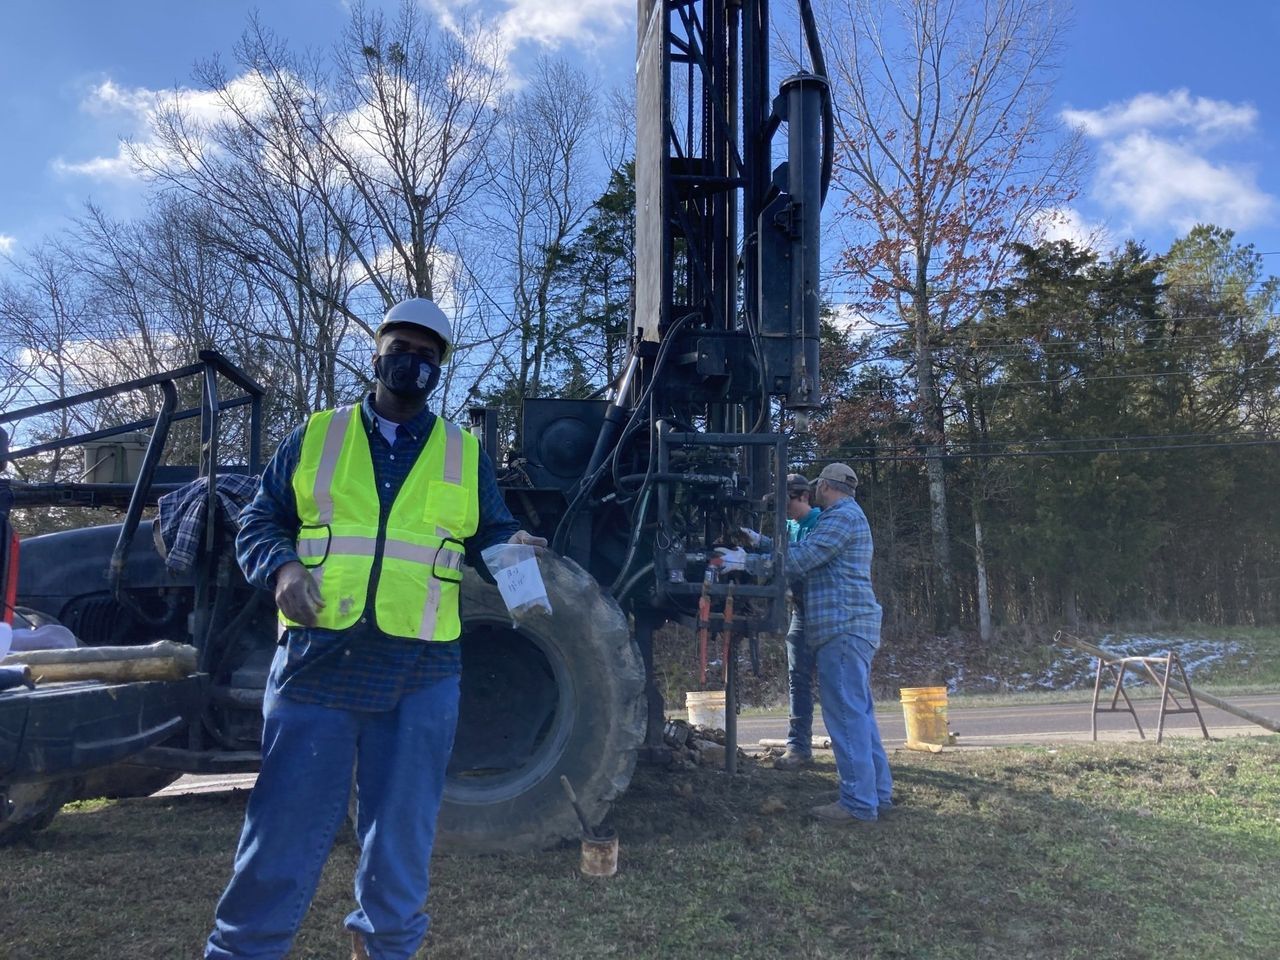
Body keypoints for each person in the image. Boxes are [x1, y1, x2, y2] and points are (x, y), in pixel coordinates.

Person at [205, 298, 544, 960]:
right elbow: (258, 521)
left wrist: (515, 546)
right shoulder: (316, 435)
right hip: (316, 664)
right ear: (375, 351)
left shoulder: (462, 453)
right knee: (282, 831)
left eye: (426, 355)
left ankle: (385, 950)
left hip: (421, 675)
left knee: (402, 839)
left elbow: (492, 531)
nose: (411, 362)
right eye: (401, 347)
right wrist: (280, 571)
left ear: (439, 369)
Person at [720, 462, 891, 824]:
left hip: (842, 627)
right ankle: (877, 794)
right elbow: (802, 547)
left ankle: (859, 804)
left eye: (817, 488)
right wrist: (759, 542)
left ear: (826, 487)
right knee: (859, 716)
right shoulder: (843, 516)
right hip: (847, 628)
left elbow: (801, 557)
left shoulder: (841, 516)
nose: (814, 493)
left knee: (846, 715)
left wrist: (744, 561)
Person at [740, 474, 822, 770]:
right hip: (800, 611)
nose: (784, 508)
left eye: (787, 501)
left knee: (831, 682)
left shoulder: (819, 523)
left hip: (822, 611)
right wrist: (755, 540)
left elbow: (796, 557)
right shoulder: (790, 526)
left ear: (803, 496)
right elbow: (779, 549)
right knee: (797, 680)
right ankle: (798, 747)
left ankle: (850, 748)